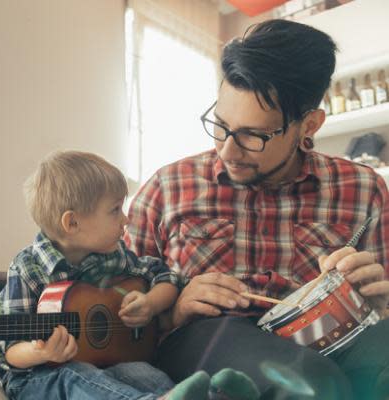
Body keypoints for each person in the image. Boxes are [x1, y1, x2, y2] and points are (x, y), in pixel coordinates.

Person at [126, 19, 389, 400]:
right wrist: (174, 310)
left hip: (331, 332)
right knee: (311, 385)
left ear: (309, 125)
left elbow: (381, 308)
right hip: (207, 336)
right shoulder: (167, 187)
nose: (227, 151)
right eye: (220, 125)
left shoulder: (365, 190)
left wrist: (380, 303)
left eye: (253, 135)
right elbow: (120, 320)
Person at [0, 150, 260, 400]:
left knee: (143, 371)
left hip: (108, 363)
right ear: (72, 223)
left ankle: (215, 395)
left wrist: (151, 303)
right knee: (74, 375)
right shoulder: (28, 268)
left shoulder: (114, 255)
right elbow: (9, 351)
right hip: (38, 376)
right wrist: (40, 351)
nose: (126, 219)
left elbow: (167, 278)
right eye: (114, 210)